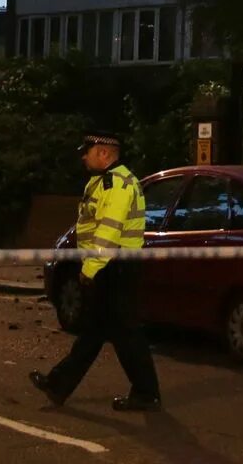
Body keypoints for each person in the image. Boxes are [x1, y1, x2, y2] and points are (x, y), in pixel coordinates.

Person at [29, 129, 161, 412]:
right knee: (99, 331)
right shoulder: (104, 183)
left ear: (103, 153)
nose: (83, 157)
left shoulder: (117, 185)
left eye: (86, 152)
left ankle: (146, 393)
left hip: (115, 267)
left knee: (120, 332)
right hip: (112, 266)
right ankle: (60, 385)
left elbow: (107, 233)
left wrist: (90, 270)